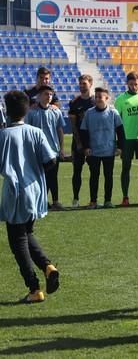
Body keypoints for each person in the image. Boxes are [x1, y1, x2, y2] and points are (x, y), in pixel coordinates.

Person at [0, 90, 60, 303]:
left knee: (17, 241)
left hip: (15, 192)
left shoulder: (4, 135)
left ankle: (34, 288)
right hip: (35, 190)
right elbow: (50, 161)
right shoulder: (35, 132)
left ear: (7, 110)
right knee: (26, 233)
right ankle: (48, 266)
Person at [80, 87, 125, 209]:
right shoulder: (89, 113)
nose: (99, 99)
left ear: (107, 98)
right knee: (94, 177)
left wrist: (120, 147)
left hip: (109, 151)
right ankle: (93, 201)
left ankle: (107, 201)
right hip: (94, 151)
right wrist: (86, 147)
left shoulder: (113, 113)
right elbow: (83, 131)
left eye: (101, 97)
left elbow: (120, 131)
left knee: (108, 176)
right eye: (97, 96)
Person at [114, 72, 138, 207]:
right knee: (126, 167)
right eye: (131, 84)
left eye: (135, 84)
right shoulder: (120, 99)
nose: (133, 87)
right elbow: (116, 122)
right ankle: (125, 197)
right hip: (127, 139)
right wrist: (117, 141)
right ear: (127, 84)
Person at [26, 86, 66, 210]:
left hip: (53, 150)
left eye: (50, 94)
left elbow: (60, 130)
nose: (48, 96)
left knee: (53, 177)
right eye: (45, 94)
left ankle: (55, 201)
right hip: (38, 151)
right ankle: (41, 201)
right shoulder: (31, 112)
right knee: (39, 178)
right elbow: (27, 132)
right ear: (39, 96)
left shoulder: (56, 111)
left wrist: (62, 149)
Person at [68, 74, 95, 208]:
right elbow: (73, 125)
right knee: (77, 171)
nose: (81, 86)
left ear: (90, 84)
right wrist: (78, 143)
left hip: (93, 143)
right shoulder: (74, 102)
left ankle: (93, 199)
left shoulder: (95, 101)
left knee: (94, 171)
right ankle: (76, 199)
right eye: (80, 83)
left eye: (84, 83)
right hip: (78, 142)